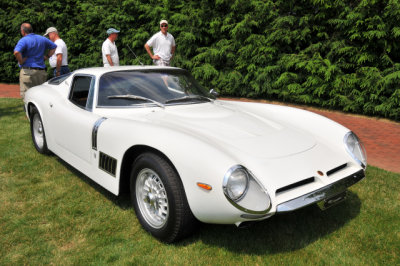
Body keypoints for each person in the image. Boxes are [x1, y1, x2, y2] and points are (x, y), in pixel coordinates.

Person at [13, 23, 57, 98]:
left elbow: (16, 52)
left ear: (23, 31)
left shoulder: (23, 40)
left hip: (28, 72)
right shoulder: (42, 38)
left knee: (27, 97)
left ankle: (29, 109)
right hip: (41, 72)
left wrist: (21, 61)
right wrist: (47, 56)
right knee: (40, 97)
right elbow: (54, 47)